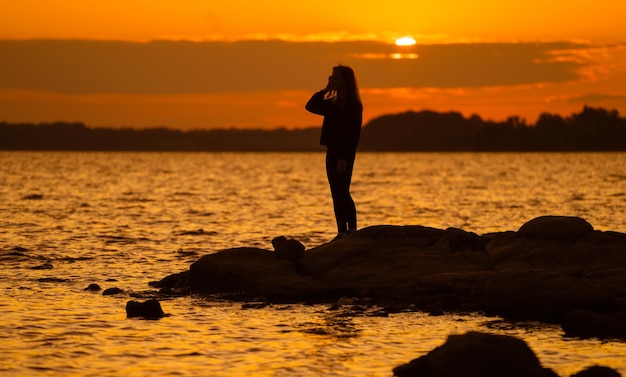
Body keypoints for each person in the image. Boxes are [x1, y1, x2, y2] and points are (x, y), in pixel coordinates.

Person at [305, 64, 363, 239]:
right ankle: (341, 231)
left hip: (344, 154)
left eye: (335, 77)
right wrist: (326, 89)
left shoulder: (353, 105)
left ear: (345, 81)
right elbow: (310, 106)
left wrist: (344, 158)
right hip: (331, 152)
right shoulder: (332, 103)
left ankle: (352, 230)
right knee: (335, 192)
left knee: (342, 191)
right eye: (331, 76)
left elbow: (353, 134)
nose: (332, 79)